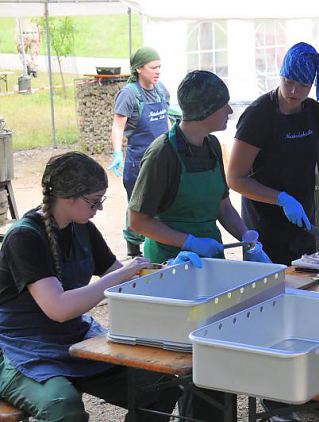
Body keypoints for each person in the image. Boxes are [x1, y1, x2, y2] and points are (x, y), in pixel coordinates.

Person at [0, 152, 184, 421]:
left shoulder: (82, 227)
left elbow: (123, 277)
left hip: (74, 338)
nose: (98, 209)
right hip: (20, 346)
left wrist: (167, 271)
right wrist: (121, 275)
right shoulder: (25, 237)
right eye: (93, 202)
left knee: (158, 386)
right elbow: (59, 308)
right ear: (67, 197)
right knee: (62, 405)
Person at [228, 42, 319, 267]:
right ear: (280, 76)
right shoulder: (258, 116)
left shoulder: (315, 113)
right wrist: (281, 199)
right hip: (263, 226)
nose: (294, 91)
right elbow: (235, 179)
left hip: (303, 224)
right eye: (288, 82)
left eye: (303, 85)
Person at [128, 70, 270, 268]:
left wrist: (247, 237)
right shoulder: (162, 154)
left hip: (210, 260)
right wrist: (189, 242)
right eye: (223, 105)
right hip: (170, 265)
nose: (229, 111)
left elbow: (224, 206)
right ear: (205, 111)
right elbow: (138, 222)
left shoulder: (211, 146)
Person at [109, 47, 170, 257]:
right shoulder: (128, 95)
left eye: (159, 66)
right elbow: (118, 127)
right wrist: (117, 154)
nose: (158, 71)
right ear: (138, 69)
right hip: (139, 161)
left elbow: (167, 118)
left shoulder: (161, 90)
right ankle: (133, 247)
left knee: (163, 203)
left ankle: (159, 245)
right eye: (153, 67)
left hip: (163, 157)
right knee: (138, 205)